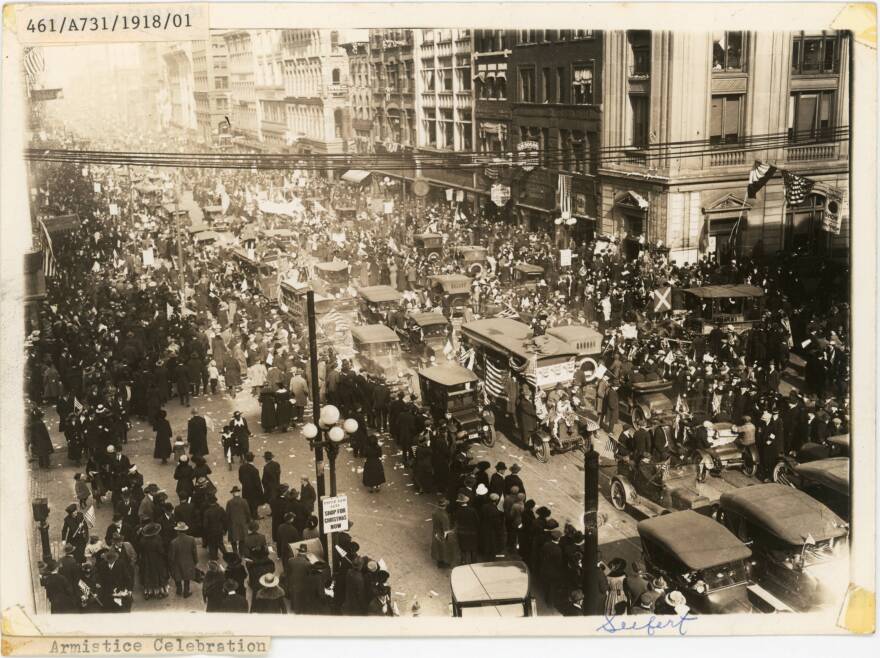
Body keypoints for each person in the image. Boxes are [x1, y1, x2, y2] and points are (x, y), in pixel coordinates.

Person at [139, 521, 169, 599]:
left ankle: (148, 592)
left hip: (146, 560)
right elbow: (161, 551)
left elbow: (140, 550)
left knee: (147, 574)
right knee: (158, 574)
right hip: (156, 560)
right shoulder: (157, 539)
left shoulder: (143, 540)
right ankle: (159, 592)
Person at [168, 522, 198, 598]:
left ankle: (179, 590)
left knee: (178, 576)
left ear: (178, 531)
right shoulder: (191, 539)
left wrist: (171, 564)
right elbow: (194, 552)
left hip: (177, 563)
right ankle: (186, 592)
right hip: (188, 562)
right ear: (185, 530)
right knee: (186, 578)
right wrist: (195, 561)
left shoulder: (173, 542)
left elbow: (172, 556)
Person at [430, 496, 459, 568]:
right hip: (442, 534)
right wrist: (452, 531)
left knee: (437, 547)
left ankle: (439, 562)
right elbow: (446, 530)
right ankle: (444, 563)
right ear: (445, 506)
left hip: (436, 531)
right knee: (445, 548)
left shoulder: (435, 512)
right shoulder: (444, 516)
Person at [453, 494, 480, 565]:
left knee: (463, 548)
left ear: (460, 502)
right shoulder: (473, 510)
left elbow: (455, 521)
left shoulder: (458, 511)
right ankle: (474, 562)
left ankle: (463, 562)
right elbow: (477, 521)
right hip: (472, 532)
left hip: (462, 532)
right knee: (473, 548)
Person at [226, 486, 251, 554]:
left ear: (233, 493)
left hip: (233, 524)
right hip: (242, 523)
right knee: (242, 539)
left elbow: (227, 515)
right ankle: (241, 553)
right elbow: (248, 513)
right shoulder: (244, 501)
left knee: (233, 539)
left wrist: (227, 524)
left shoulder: (229, 502)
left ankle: (235, 552)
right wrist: (248, 521)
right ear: (238, 493)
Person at [238, 452, 265, 517]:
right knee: (254, 503)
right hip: (254, 490)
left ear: (246, 459)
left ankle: (248, 515)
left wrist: (244, 484)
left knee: (247, 502)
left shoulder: (242, 467)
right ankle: (255, 515)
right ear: (253, 459)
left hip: (245, 489)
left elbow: (240, 478)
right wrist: (260, 491)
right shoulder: (254, 470)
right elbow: (258, 483)